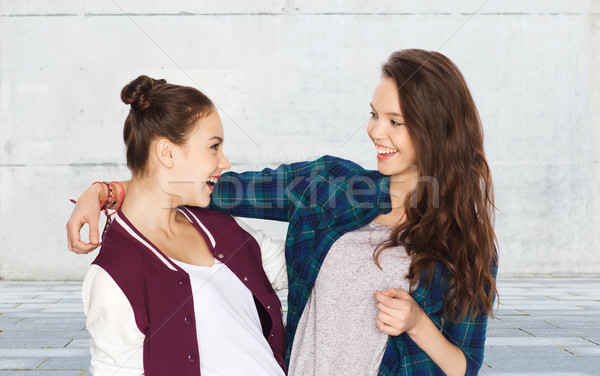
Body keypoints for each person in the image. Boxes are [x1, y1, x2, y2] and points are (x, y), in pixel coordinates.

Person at [68, 49, 498, 376]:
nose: (374, 131)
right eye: (373, 115)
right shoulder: (332, 187)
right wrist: (105, 191)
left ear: (436, 129)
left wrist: (418, 323)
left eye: (394, 121)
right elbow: (206, 185)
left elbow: (465, 364)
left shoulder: (466, 243)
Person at [78, 75, 288, 376]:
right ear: (167, 152)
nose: (224, 162)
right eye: (213, 147)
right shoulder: (115, 273)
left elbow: (294, 265)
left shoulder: (219, 225)